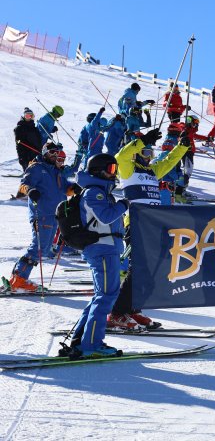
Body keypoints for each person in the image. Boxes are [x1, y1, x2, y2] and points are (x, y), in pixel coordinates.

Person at [107, 128, 190, 330]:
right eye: (145, 153)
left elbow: (169, 161)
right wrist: (141, 141)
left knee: (152, 270)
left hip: (153, 225)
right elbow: (120, 156)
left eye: (151, 153)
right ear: (136, 154)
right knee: (139, 269)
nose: (148, 157)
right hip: (136, 223)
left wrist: (182, 146)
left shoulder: (152, 172)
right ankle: (117, 313)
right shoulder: (128, 169)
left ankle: (133, 309)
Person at [62, 153, 128, 358]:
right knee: (106, 296)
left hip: (107, 248)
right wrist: (124, 204)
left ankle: (81, 339)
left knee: (102, 295)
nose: (114, 174)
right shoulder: (94, 193)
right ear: (98, 170)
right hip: (102, 249)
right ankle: (91, 344)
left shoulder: (101, 192)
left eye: (115, 169)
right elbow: (105, 217)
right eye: (111, 169)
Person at [3, 143, 73, 292]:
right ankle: (19, 279)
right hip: (42, 214)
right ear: (45, 152)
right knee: (39, 248)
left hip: (55, 215)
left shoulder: (56, 171)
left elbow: (66, 188)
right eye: (52, 152)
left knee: (45, 249)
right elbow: (23, 185)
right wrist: (31, 190)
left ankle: (17, 278)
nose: (55, 155)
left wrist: (75, 189)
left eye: (57, 153)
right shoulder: (36, 168)